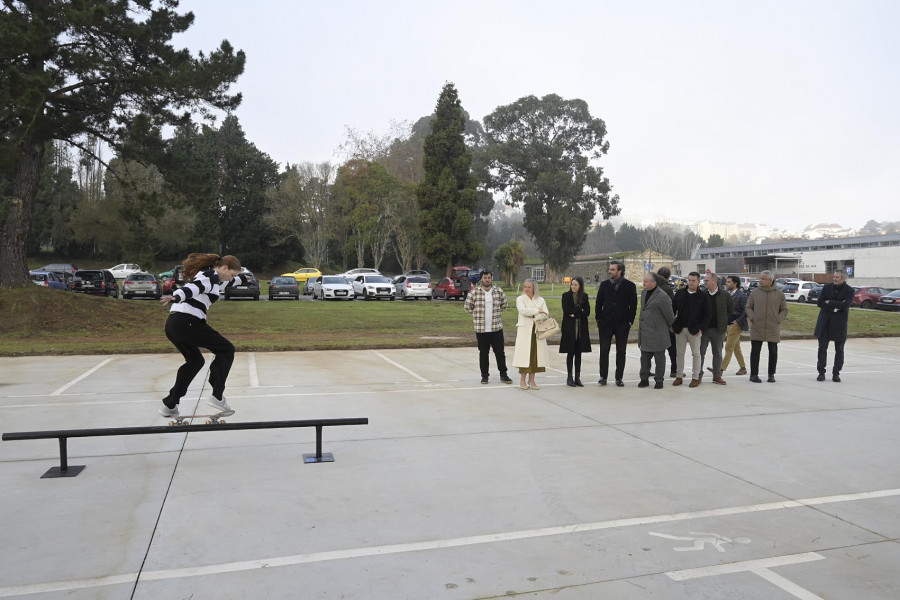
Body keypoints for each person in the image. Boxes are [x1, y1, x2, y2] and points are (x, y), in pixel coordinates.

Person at [158, 253, 249, 418]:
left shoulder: (215, 278)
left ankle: (170, 404)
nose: (231, 278)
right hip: (188, 322)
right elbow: (194, 288)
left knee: (195, 361)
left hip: (174, 324)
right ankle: (217, 395)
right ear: (224, 268)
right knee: (227, 349)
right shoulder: (210, 275)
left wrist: (243, 279)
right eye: (232, 274)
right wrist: (176, 296)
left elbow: (227, 282)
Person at [464, 271, 513, 384]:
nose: (487, 279)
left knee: (500, 352)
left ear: (491, 278)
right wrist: (477, 315)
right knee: (483, 353)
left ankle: (504, 374)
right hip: (481, 329)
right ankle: (484, 376)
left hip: (496, 328)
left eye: (489, 277)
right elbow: (467, 307)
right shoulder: (474, 292)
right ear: (481, 279)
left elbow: (504, 304)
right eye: (485, 278)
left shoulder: (498, 291)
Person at [595, 260, 637, 387]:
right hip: (605, 323)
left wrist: (629, 322)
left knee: (621, 352)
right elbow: (598, 303)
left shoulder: (630, 286)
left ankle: (619, 378)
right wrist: (599, 319)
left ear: (620, 271)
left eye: (612, 269)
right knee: (604, 351)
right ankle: (603, 377)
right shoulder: (604, 285)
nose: (609, 271)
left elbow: (633, 306)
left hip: (622, 324)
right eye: (610, 269)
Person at [745, 270, 788, 383]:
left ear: (770, 280)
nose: (761, 280)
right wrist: (752, 318)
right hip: (757, 326)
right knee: (755, 351)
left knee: (773, 352)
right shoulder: (755, 292)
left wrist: (778, 319)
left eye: (763, 278)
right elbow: (748, 307)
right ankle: (753, 375)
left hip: (772, 327)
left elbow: (784, 309)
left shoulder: (779, 294)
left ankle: (771, 374)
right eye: (760, 278)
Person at [815, 269, 854, 382]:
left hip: (839, 324)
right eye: (834, 276)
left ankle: (836, 373)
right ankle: (821, 372)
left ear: (844, 278)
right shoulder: (827, 287)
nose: (834, 279)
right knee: (822, 348)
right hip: (825, 322)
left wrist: (830, 302)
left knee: (839, 350)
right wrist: (836, 307)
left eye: (837, 277)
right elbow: (820, 302)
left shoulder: (849, 291)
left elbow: (846, 305)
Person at [671, 272, 709, 387]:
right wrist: (672, 325)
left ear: (698, 282)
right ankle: (679, 376)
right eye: (689, 280)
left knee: (696, 354)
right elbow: (672, 309)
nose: (691, 283)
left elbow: (707, 315)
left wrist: (701, 329)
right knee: (679, 354)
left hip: (695, 330)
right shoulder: (680, 293)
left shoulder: (703, 296)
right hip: (680, 328)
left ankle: (696, 377)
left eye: (693, 281)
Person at [638, 272, 674, 389]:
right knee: (644, 358)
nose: (644, 283)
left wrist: (670, 326)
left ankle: (659, 380)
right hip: (645, 332)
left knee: (659, 358)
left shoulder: (663, 296)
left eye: (647, 281)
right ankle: (644, 379)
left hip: (658, 333)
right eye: (644, 280)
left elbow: (669, 315)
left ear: (654, 283)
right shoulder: (644, 293)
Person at [512, 279, 550, 389]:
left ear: (534, 288)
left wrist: (535, 316)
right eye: (525, 287)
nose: (526, 289)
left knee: (535, 357)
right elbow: (523, 311)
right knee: (525, 357)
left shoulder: (541, 300)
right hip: (525, 332)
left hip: (537, 331)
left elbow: (546, 314)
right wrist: (537, 312)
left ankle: (532, 381)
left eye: (529, 287)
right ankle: (522, 381)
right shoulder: (520, 299)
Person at [700, 272, 734, 385]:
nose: (704, 282)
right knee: (700, 353)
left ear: (714, 281)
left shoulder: (725, 295)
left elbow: (730, 310)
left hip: (718, 329)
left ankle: (717, 376)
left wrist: (723, 322)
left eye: (706, 280)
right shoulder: (702, 294)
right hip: (703, 330)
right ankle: (698, 375)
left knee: (718, 353)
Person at [559, 276, 592, 387]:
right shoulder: (565, 296)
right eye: (572, 284)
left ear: (580, 286)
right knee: (570, 353)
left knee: (578, 353)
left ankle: (577, 377)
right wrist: (579, 310)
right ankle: (569, 377)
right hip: (569, 329)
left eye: (576, 285)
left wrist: (576, 313)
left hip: (581, 329)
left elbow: (587, 312)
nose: (573, 287)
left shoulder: (584, 296)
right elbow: (567, 310)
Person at [720, 276, 748, 375]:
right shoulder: (727, 294)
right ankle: (743, 367)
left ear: (735, 283)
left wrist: (737, 321)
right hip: (727, 324)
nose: (726, 283)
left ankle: (721, 369)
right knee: (736, 347)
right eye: (726, 282)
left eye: (729, 282)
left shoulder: (742, 295)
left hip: (736, 325)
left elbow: (746, 310)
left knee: (729, 346)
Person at [656, 266, 678, 377]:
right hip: (666, 322)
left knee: (654, 348)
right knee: (672, 348)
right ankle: (674, 370)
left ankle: (650, 369)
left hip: (654, 322)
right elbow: (671, 306)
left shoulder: (652, 285)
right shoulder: (667, 288)